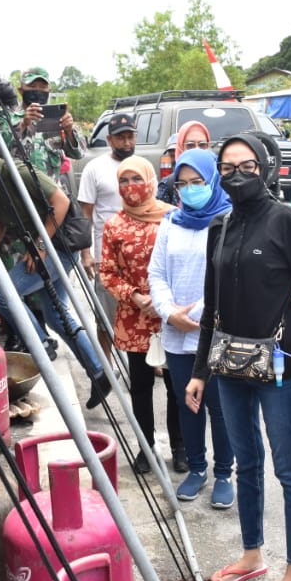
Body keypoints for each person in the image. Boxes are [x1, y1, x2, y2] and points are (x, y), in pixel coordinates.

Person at [186, 132, 291, 581]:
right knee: (245, 461)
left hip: (281, 364)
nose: (237, 175)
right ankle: (251, 553)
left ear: (266, 167)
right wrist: (201, 371)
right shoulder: (220, 227)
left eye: (247, 166)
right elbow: (211, 307)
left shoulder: (287, 221)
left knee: (288, 466)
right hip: (229, 364)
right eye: (227, 168)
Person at [0, 130, 111, 407]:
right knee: (56, 315)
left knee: (4, 296)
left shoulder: (17, 172)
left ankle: (41, 346)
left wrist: (39, 245)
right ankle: (99, 372)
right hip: (42, 248)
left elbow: (60, 202)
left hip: (57, 246)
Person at [148, 147, 236, 506]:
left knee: (220, 406)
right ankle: (197, 469)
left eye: (196, 182)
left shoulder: (229, 219)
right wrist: (169, 312)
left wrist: (197, 314)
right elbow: (156, 273)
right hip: (176, 332)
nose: (188, 190)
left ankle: (223, 473)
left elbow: (230, 273)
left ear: (212, 180)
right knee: (188, 405)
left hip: (214, 329)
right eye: (182, 184)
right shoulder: (171, 221)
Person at [99, 156, 178, 474]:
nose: (131, 187)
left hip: (171, 316)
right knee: (141, 387)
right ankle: (146, 449)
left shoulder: (173, 218)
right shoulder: (114, 225)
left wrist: (164, 300)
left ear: (151, 180)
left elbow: (185, 263)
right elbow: (107, 272)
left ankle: (182, 447)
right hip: (135, 319)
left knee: (176, 385)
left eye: (137, 179)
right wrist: (133, 295)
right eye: (124, 181)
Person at [0, 66, 84, 180]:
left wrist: (69, 131)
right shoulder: (5, 117)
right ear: (21, 90)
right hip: (17, 193)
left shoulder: (56, 117)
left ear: (49, 91)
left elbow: (77, 154)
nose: (38, 91)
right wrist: (23, 124)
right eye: (32, 86)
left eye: (43, 87)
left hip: (51, 194)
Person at [77, 112, 134, 280]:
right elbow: (85, 214)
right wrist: (86, 254)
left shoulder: (143, 167)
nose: (127, 143)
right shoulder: (94, 168)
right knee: (107, 305)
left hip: (139, 255)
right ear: (109, 140)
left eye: (130, 137)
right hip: (107, 256)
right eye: (120, 138)